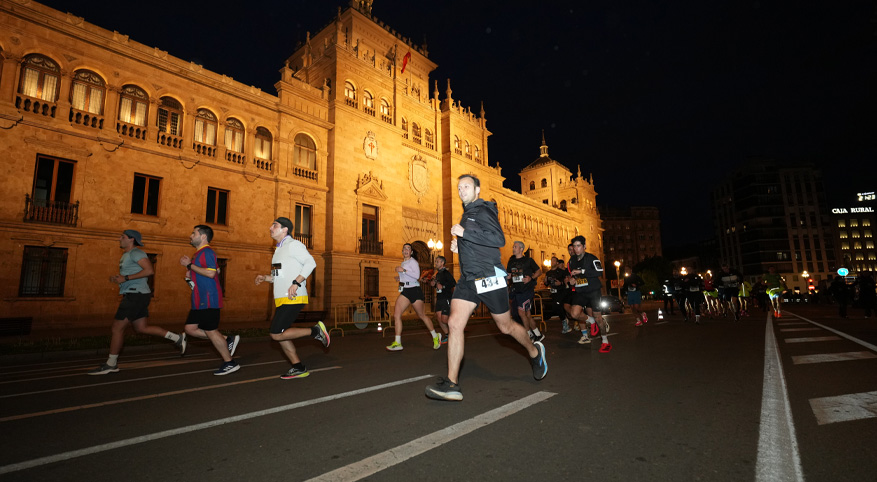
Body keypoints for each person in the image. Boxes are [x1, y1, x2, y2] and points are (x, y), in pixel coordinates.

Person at [425, 174, 547, 401]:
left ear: (477, 190)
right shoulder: (467, 214)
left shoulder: (484, 209)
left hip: (489, 277)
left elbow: (498, 239)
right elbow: (479, 245)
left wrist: (464, 233)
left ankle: (534, 351)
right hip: (468, 280)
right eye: (459, 187)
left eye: (467, 186)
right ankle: (452, 384)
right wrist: (459, 246)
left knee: (506, 326)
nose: (462, 190)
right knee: (454, 323)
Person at [89, 230, 185, 375]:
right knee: (141, 328)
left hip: (136, 295)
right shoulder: (126, 255)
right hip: (137, 294)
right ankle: (177, 337)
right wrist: (119, 279)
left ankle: (111, 364)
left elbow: (149, 271)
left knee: (117, 328)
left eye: (123, 237)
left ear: (131, 240)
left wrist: (125, 278)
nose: (119, 238)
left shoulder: (136, 253)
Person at [254, 217, 330, 379]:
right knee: (281, 335)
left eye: (274, 225)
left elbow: (311, 263)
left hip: (294, 296)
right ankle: (298, 366)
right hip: (282, 299)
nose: (270, 227)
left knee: (275, 333)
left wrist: (296, 282)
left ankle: (315, 331)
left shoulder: (293, 245)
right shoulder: (277, 251)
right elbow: (278, 276)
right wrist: (265, 278)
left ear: (285, 229)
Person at [179, 225, 240, 375]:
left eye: (194, 233)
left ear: (203, 236)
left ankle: (229, 362)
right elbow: (216, 270)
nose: (191, 236)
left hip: (208, 299)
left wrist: (190, 265)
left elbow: (211, 274)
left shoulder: (206, 252)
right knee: (190, 329)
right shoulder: (199, 254)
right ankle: (227, 339)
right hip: (199, 299)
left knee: (210, 330)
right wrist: (190, 275)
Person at [386, 243, 441, 351]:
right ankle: (397, 342)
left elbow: (416, 276)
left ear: (411, 252)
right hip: (406, 291)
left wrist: (404, 271)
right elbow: (407, 277)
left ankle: (435, 336)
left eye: (408, 249)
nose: (406, 250)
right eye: (404, 249)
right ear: (402, 251)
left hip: (415, 291)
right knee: (396, 315)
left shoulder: (413, 262)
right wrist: (400, 278)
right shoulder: (403, 262)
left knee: (422, 315)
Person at [567, 235, 611, 351]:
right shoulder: (572, 261)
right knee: (574, 314)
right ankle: (590, 320)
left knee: (598, 317)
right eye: (574, 246)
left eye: (578, 246)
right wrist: (572, 281)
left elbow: (599, 271)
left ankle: (605, 341)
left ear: (584, 246)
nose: (576, 249)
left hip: (593, 291)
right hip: (580, 291)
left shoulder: (592, 258)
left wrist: (582, 271)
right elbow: (573, 277)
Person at [506, 241, 543, 341]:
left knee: (521, 312)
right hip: (517, 291)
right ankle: (538, 334)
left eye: (516, 247)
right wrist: (508, 277)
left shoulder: (528, 260)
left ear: (521, 249)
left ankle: (528, 335)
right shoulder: (511, 261)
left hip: (527, 291)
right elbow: (509, 275)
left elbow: (539, 271)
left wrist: (531, 278)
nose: (513, 248)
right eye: (513, 246)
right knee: (527, 314)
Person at [430, 255, 456, 344]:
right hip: (439, 298)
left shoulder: (446, 273)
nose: (436, 263)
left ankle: (456, 328)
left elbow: (453, 283)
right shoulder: (437, 274)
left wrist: (443, 286)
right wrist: (433, 284)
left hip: (446, 298)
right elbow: (437, 285)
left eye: (437, 261)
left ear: (442, 263)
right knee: (439, 317)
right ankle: (448, 335)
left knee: (444, 319)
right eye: (436, 261)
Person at [545, 257, 572, 333]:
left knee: (558, 305)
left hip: (561, 292)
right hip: (553, 293)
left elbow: (567, 282)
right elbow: (547, 283)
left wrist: (561, 283)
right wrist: (545, 281)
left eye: (554, 261)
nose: (552, 262)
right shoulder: (548, 273)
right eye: (551, 260)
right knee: (556, 307)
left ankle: (565, 322)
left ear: (557, 263)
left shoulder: (561, 272)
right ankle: (565, 319)